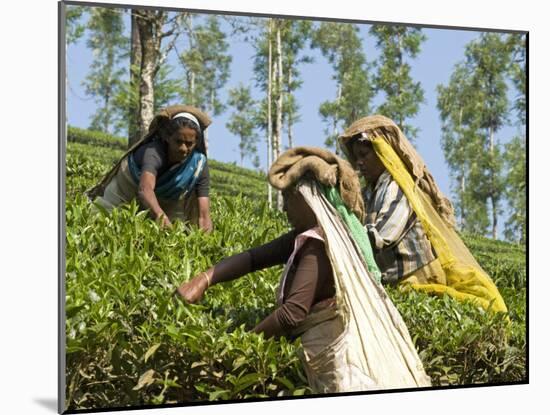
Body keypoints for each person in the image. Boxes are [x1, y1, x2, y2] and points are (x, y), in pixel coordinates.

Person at [176, 146, 431, 393]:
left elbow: (292, 314)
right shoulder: (308, 237)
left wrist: (240, 345)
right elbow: (253, 258)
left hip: (338, 367)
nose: (284, 207)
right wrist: (205, 278)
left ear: (310, 199)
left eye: (288, 198)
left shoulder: (318, 245)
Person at [338, 114, 507, 312]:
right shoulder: (370, 192)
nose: (359, 163)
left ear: (382, 151)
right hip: (396, 283)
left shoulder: (397, 188)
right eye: (356, 157)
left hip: (419, 280)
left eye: (364, 155)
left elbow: (383, 236)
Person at [86, 105, 213, 232]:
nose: (183, 149)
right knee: (102, 224)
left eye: (189, 144)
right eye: (178, 142)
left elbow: (204, 215)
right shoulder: (153, 152)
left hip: (167, 202)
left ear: (196, 143)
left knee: (175, 235)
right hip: (125, 192)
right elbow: (145, 189)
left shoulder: (198, 164)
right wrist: (161, 217)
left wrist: (206, 242)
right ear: (168, 138)